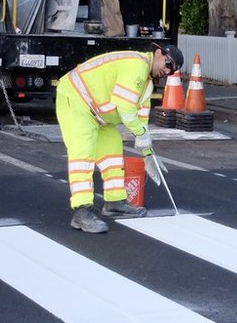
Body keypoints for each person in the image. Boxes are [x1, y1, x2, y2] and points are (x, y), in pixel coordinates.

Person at [56, 43, 185, 233]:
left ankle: (114, 202)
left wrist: (148, 154)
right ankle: (82, 212)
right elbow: (125, 110)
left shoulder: (147, 83)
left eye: (170, 71)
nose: (166, 71)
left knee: (113, 151)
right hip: (76, 100)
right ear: (158, 52)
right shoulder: (136, 66)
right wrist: (141, 134)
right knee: (82, 156)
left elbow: (140, 120)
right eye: (167, 64)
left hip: (98, 113)